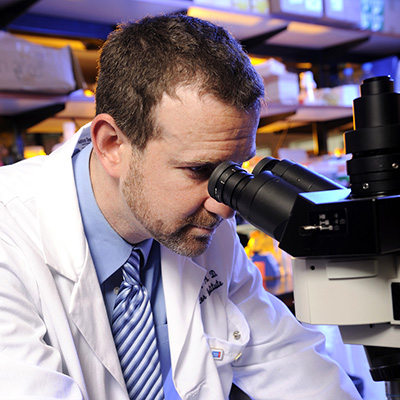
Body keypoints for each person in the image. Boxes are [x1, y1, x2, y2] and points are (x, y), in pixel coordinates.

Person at [0, 14, 362, 400]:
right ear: (111, 145)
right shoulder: (11, 236)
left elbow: (295, 367)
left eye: (234, 169)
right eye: (199, 169)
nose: (224, 209)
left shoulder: (204, 229)